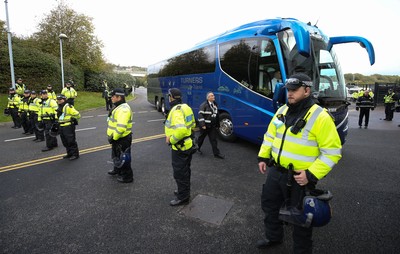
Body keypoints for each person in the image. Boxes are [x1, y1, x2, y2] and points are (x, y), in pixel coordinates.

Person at [256, 73, 342, 253]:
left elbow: (333, 152)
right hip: (276, 171)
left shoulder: (321, 116)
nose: (290, 94)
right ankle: (273, 237)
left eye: (295, 90)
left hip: (300, 177)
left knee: (302, 219)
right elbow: (270, 136)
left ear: (307, 90)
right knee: (270, 206)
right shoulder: (282, 111)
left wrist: (311, 175)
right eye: (288, 90)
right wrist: (263, 157)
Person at [164, 88, 196, 206]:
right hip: (187, 145)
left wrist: (171, 140)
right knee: (185, 171)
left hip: (179, 147)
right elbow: (192, 124)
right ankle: (183, 191)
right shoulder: (186, 107)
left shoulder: (176, 110)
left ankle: (183, 197)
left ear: (171, 97)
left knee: (180, 173)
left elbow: (181, 130)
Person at [107, 88, 134, 183]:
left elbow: (121, 127)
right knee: (116, 155)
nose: (111, 98)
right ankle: (117, 170)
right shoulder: (118, 106)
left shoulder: (123, 109)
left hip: (122, 138)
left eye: (113, 96)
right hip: (117, 137)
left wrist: (114, 138)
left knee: (124, 157)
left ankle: (127, 177)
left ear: (119, 97)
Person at [197, 91, 224, 159]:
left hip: (212, 126)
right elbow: (200, 115)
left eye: (213, 95)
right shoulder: (203, 105)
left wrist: (218, 125)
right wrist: (203, 125)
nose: (213, 96)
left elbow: (216, 115)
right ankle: (197, 148)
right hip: (205, 126)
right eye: (212, 96)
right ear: (208, 98)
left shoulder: (215, 104)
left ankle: (216, 154)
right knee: (201, 138)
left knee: (213, 140)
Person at [56, 94, 80, 160]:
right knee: (65, 141)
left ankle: (75, 154)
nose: (59, 101)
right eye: (58, 100)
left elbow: (77, 114)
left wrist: (73, 119)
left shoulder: (68, 107)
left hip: (68, 126)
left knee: (71, 141)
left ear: (64, 99)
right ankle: (69, 153)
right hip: (61, 126)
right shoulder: (59, 107)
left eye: (60, 99)